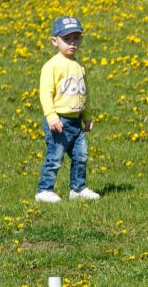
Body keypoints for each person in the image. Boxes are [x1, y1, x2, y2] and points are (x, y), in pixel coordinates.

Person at [35, 16, 100, 203]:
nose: (72, 43)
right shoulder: (52, 66)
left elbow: (84, 93)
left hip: (76, 121)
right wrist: (51, 116)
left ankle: (77, 189)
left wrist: (87, 116)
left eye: (76, 38)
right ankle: (44, 190)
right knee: (55, 157)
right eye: (67, 39)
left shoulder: (79, 66)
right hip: (59, 121)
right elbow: (45, 93)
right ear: (55, 41)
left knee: (81, 156)